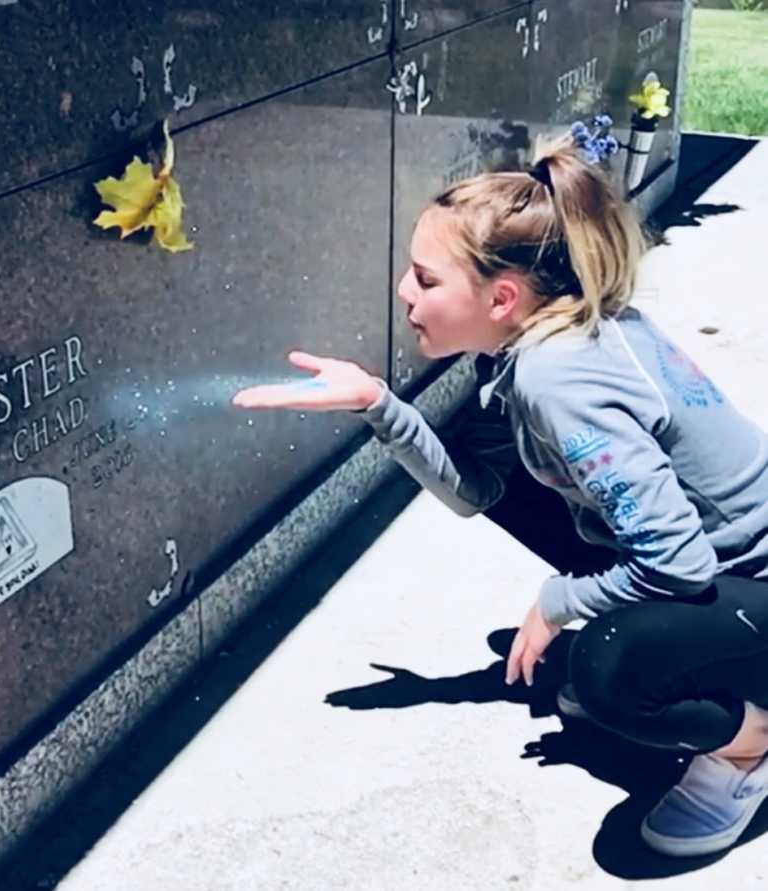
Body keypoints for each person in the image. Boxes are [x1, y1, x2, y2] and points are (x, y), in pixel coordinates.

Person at [231, 133, 768, 857]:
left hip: (743, 578)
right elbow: (479, 492)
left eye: (425, 278)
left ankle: (748, 744)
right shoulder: (534, 344)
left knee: (605, 669)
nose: (404, 291)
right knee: (549, 562)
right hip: (723, 572)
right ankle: (693, 660)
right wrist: (377, 404)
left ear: (502, 296)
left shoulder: (557, 379)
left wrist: (561, 601)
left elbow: (678, 564)